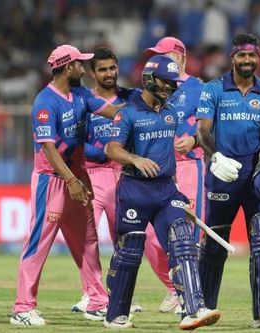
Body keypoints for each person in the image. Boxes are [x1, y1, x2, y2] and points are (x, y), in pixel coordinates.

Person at [104, 54, 221, 330]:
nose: (169, 87)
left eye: (173, 83)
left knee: (183, 240)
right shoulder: (128, 112)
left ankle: (193, 309)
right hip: (135, 189)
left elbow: (186, 137)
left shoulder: (170, 112)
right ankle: (115, 314)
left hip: (167, 190)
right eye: (165, 82)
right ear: (148, 78)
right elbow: (111, 148)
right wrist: (135, 159)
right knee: (130, 252)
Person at [10, 44, 122, 326]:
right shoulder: (45, 102)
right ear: (66, 67)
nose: (84, 69)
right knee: (39, 242)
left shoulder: (81, 94)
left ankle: (97, 301)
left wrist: (148, 108)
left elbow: (114, 113)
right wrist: (72, 180)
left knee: (87, 240)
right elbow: (48, 149)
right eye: (79, 64)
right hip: (53, 181)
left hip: (76, 178)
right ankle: (22, 308)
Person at [72, 46, 177, 316]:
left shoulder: (132, 96)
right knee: (88, 239)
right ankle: (92, 295)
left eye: (112, 68)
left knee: (132, 239)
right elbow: (78, 137)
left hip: (125, 175)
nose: (109, 73)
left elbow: (159, 99)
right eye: (103, 69)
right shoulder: (86, 101)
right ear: (92, 73)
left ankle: (160, 290)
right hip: (93, 174)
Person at [196, 33, 260, 329]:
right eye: (241, 56)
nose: (247, 61)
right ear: (232, 57)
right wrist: (215, 157)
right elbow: (202, 131)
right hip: (223, 175)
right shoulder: (213, 90)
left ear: (258, 58)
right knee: (214, 244)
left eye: (252, 56)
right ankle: (203, 307)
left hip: (256, 177)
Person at [143, 36, 205, 314]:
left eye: (164, 55)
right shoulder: (153, 89)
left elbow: (210, 127)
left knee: (187, 233)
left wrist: (195, 140)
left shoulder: (200, 89)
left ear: (180, 57)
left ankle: (189, 294)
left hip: (190, 167)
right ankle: (175, 287)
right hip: (160, 171)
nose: (158, 60)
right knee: (148, 237)